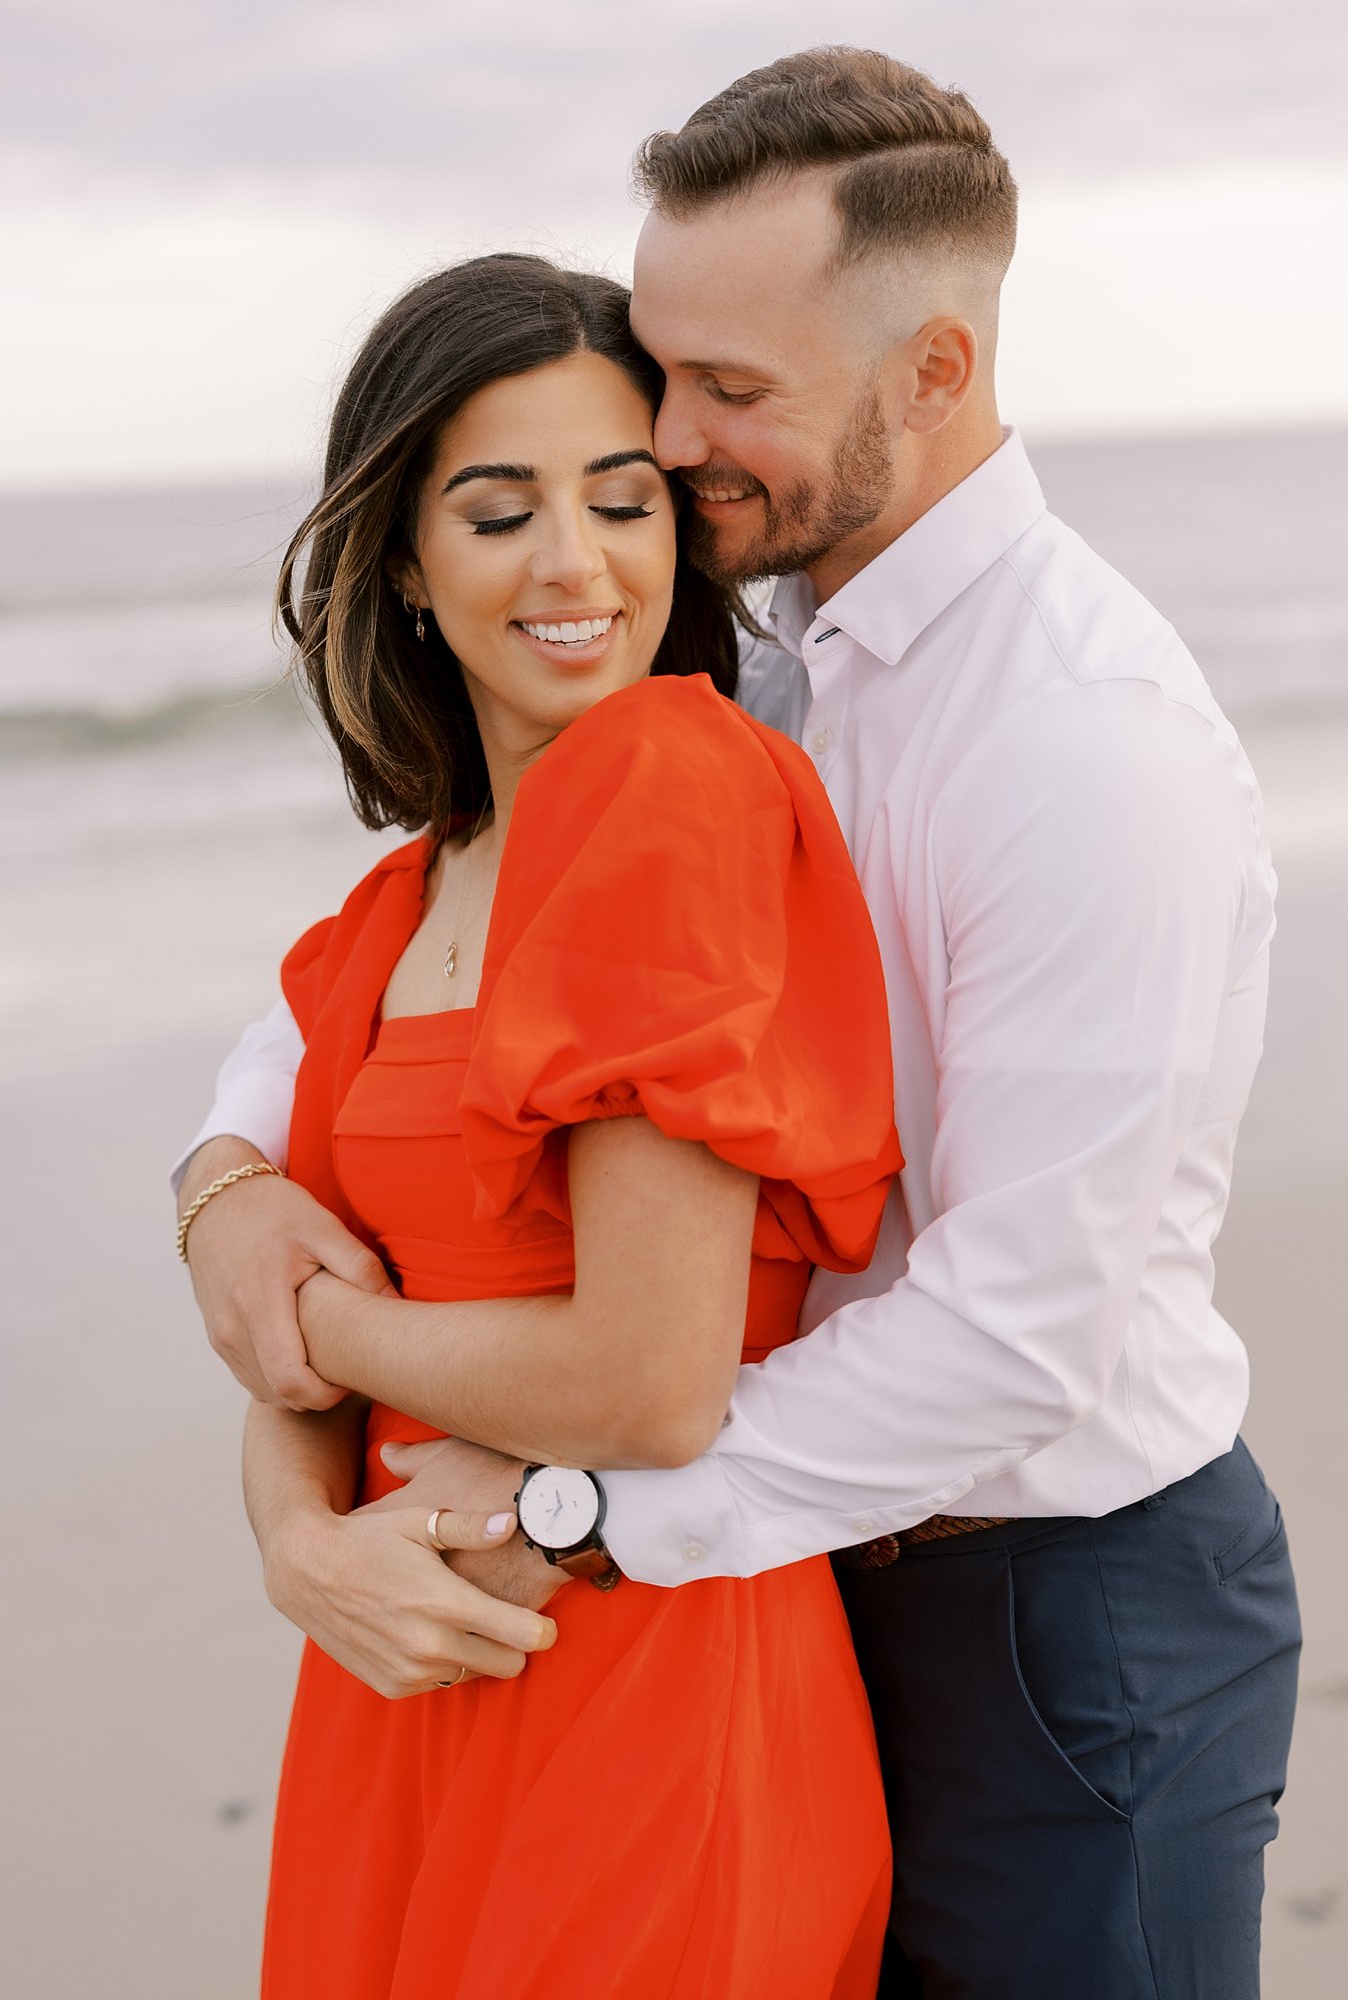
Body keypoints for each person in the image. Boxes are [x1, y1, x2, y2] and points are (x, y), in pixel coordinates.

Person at [177, 49, 1302, 2000]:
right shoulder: (742, 650)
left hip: (1055, 1613)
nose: (674, 442)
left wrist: (582, 1502)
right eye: (665, 372)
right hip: (761, 1574)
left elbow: (1021, 1318)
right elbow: (381, 1006)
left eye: (731, 393)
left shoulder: (1081, 739)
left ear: (934, 372)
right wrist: (218, 1185)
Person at [200, 250, 902, 1997]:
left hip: (637, 1679)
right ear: (411, 572)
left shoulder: (671, 790)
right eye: (501, 512)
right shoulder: (390, 907)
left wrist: (329, 1323)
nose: (578, 564)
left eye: (625, 500)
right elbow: (271, 1321)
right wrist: (299, 1547)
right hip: (395, 1669)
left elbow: (646, 1385)